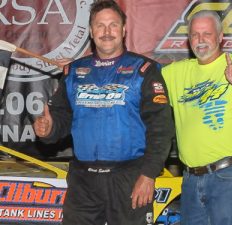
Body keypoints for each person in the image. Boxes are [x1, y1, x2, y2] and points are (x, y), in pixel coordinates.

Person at [33, 1, 174, 225]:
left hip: (129, 178)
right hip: (83, 181)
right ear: (91, 31)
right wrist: (48, 129)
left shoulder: (144, 71)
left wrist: (148, 175)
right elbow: (61, 116)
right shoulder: (74, 72)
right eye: (100, 26)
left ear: (124, 29)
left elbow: (161, 129)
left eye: (113, 25)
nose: (107, 32)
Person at [162, 10, 232, 225]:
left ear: (220, 36)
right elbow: (141, 79)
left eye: (206, 34)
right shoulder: (175, 73)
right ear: (188, 40)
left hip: (227, 178)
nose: (200, 40)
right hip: (189, 180)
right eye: (195, 35)